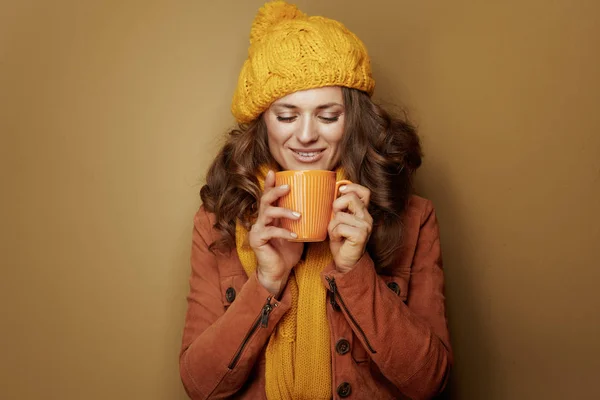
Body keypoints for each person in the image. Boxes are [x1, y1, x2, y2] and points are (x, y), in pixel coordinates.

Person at [179, 1, 452, 399]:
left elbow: (430, 382)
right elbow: (200, 386)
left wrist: (355, 270)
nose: (306, 136)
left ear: (353, 121)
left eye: (327, 116)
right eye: (287, 116)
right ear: (262, 123)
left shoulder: (413, 217)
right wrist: (267, 281)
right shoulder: (217, 220)